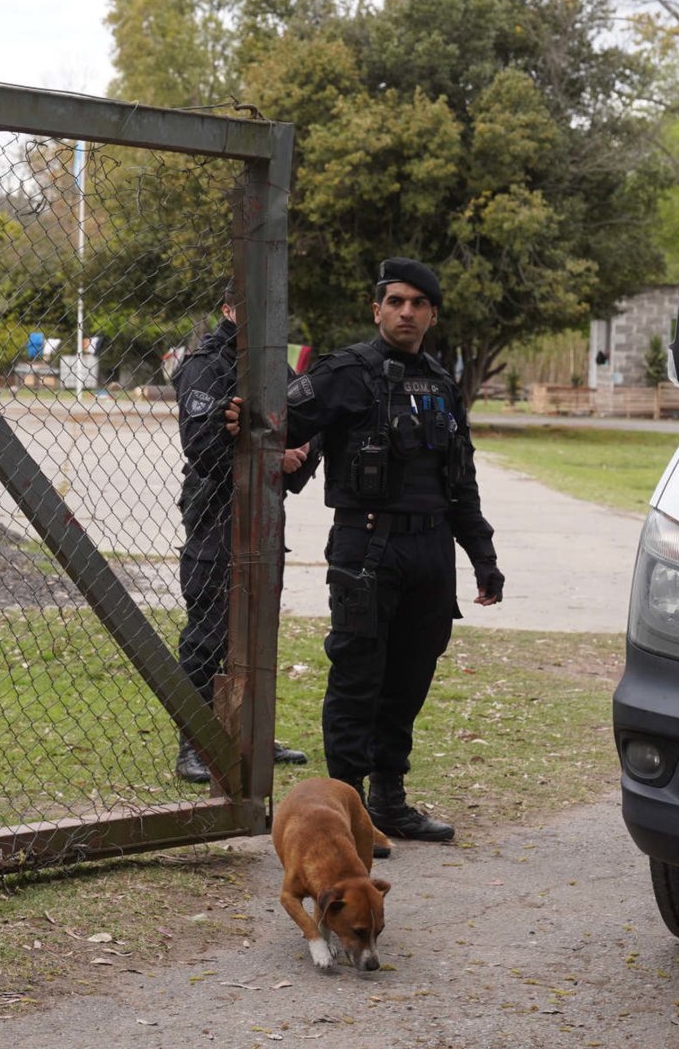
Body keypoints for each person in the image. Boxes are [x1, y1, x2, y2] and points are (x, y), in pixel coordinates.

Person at [228, 258, 503, 843]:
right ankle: (344, 812)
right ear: (376, 308)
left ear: (432, 313)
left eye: (418, 303)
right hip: (367, 547)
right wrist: (243, 422)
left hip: (430, 552)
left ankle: (390, 802)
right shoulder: (345, 372)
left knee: (409, 679)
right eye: (395, 301)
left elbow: (462, 480)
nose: (406, 312)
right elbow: (273, 417)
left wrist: (482, 557)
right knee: (357, 678)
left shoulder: (441, 384)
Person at [172, 281, 320, 784]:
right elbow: (205, 452)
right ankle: (194, 741)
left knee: (257, 633)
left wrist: (289, 457)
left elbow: (305, 434)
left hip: (265, 520)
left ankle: (250, 732)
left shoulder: (275, 366)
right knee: (208, 633)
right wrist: (267, 455)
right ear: (229, 308)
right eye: (252, 306)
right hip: (216, 519)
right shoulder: (205, 367)